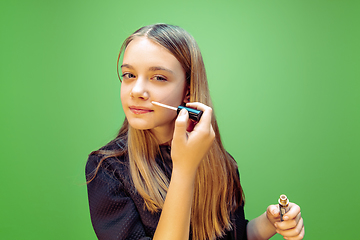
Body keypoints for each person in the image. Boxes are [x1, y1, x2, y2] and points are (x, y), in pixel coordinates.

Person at [85, 23, 305, 240]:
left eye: (158, 78)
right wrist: (184, 169)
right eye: (129, 75)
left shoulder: (223, 164)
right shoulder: (107, 170)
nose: (137, 91)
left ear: (187, 92)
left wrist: (269, 223)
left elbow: (231, 235)